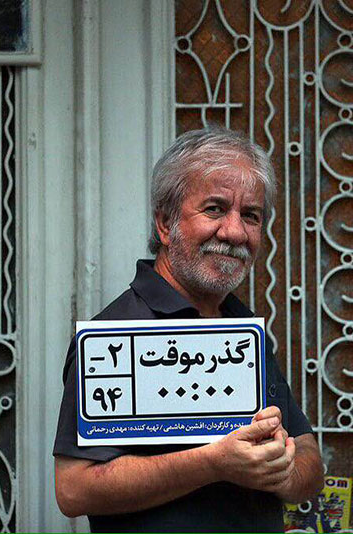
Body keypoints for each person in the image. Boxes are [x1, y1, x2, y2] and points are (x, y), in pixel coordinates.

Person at [53, 127, 323, 532]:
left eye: (250, 215)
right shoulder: (114, 336)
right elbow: (74, 489)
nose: (234, 232)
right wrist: (214, 463)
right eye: (214, 209)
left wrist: (282, 471)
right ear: (165, 223)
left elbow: (308, 457)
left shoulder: (243, 332)